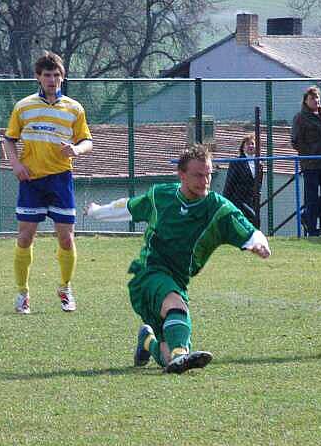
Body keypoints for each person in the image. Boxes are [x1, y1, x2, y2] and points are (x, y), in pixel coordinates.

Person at [85, 145, 271, 374]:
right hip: (148, 274)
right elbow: (128, 207)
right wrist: (96, 211)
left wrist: (258, 242)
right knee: (177, 311)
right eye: (198, 175)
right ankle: (181, 355)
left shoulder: (217, 208)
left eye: (208, 174)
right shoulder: (160, 196)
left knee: (167, 353)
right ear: (181, 174)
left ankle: (148, 341)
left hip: (178, 282)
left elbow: (246, 227)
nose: (205, 181)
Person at [4, 51, 92, 314]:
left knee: (66, 239)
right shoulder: (24, 106)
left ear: (62, 77)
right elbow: (8, 139)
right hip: (31, 181)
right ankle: (22, 293)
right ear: (38, 78)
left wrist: (77, 150)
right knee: (24, 237)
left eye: (56, 75)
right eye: (47, 75)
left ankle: (65, 288)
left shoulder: (74, 108)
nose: (52, 80)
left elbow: (87, 141)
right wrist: (16, 165)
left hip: (60, 180)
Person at [291, 86, 321, 236]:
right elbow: (295, 140)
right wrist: (309, 152)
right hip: (310, 163)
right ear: (305, 101)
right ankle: (312, 229)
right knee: (311, 196)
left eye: (317, 97)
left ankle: (307, 216)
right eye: (312, 98)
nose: (316, 100)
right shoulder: (300, 117)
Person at [222, 134, 263, 226]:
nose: (251, 146)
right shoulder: (237, 162)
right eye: (248, 144)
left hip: (252, 199)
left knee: (252, 221)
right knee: (252, 219)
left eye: (252, 144)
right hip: (238, 199)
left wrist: (257, 196)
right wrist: (225, 200)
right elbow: (230, 182)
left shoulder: (259, 164)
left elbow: (259, 183)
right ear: (243, 147)